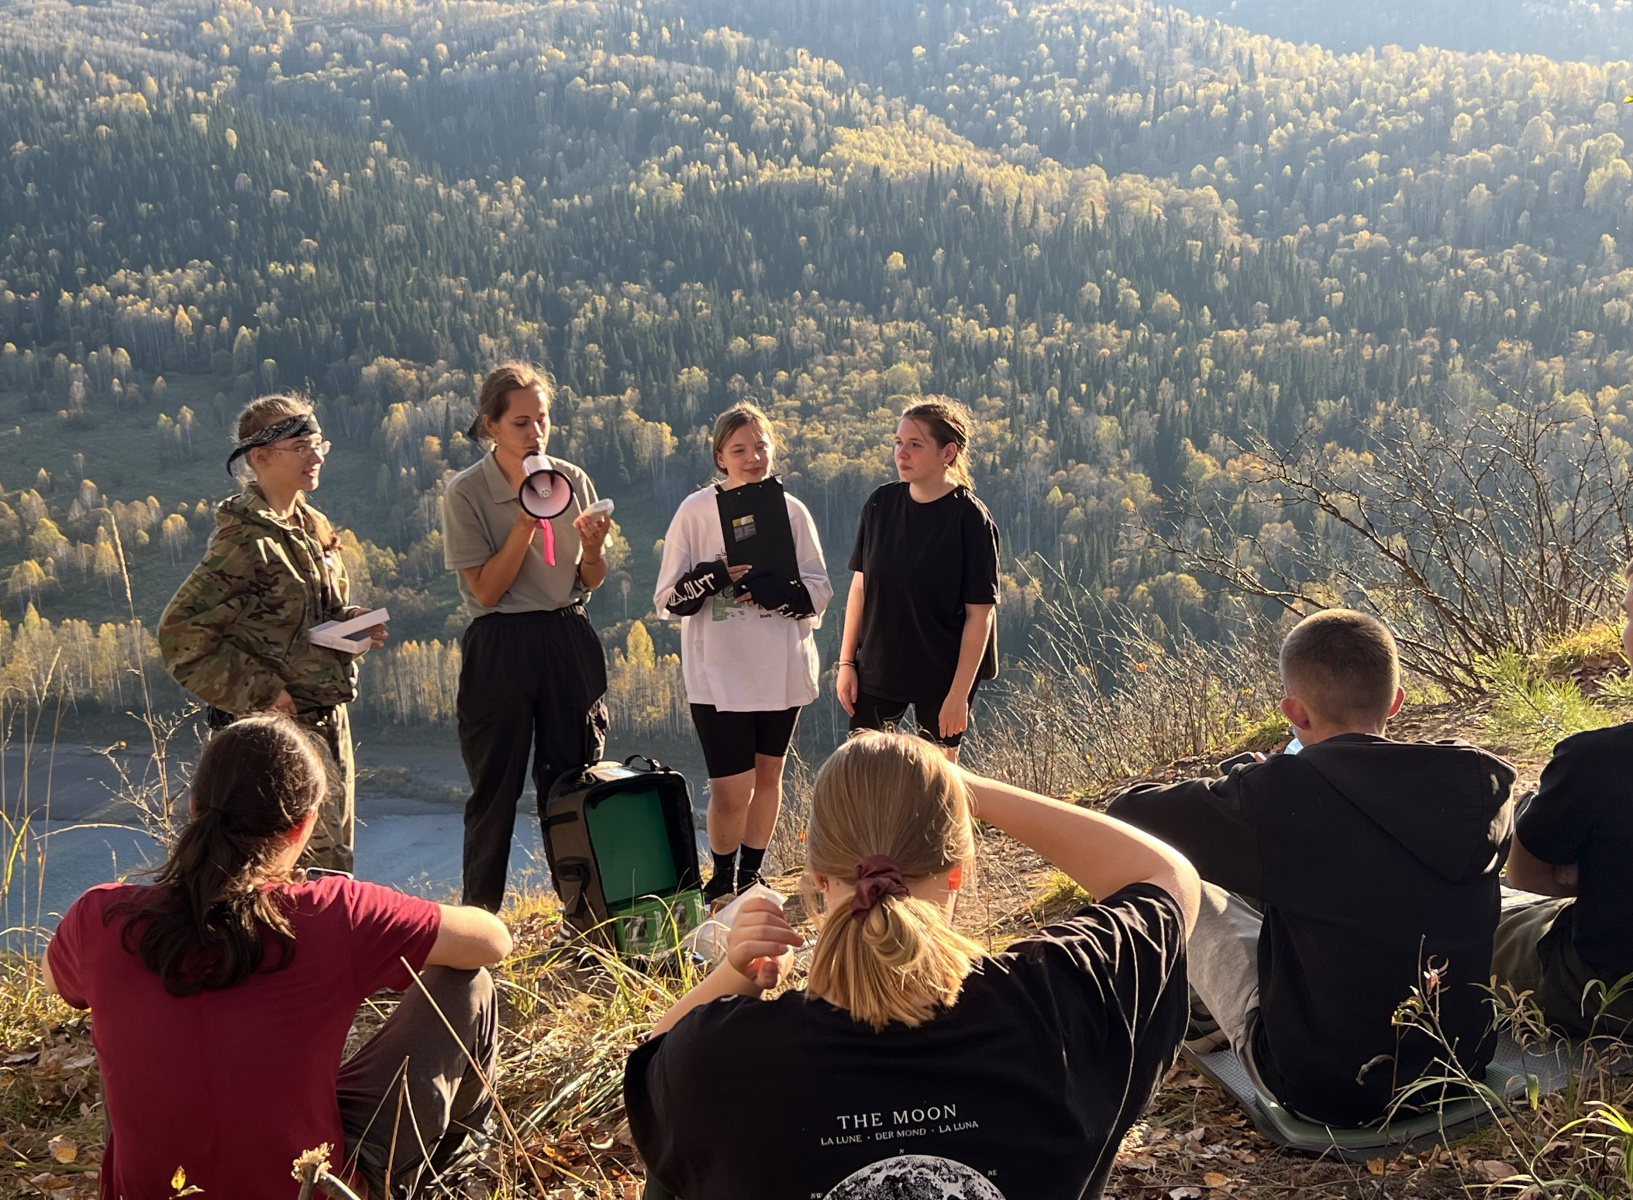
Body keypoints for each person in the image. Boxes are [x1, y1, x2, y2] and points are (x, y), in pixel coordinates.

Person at [624, 731, 1198, 1200]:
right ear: (959, 871)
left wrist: (735, 977)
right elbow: (1168, 878)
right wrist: (965, 787)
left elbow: (652, 1066)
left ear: (818, 879)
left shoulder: (722, 1061)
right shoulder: (1058, 1002)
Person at [43, 715, 511, 1200]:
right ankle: (455, 1173)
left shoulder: (100, 917)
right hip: (312, 1187)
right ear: (303, 824)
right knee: (467, 985)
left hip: (155, 1191)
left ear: (194, 806)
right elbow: (492, 941)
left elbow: (56, 982)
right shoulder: (333, 914)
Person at [1108, 609, 1517, 1127]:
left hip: (1324, 1090)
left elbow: (1127, 816)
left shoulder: (1279, 797)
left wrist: (1248, 788)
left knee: (1176, 880)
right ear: (1395, 701)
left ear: (1295, 713)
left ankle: (1205, 1022)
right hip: (1458, 1067)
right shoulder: (1481, 782)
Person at [159, 393, 384, 874]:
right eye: (301, 446)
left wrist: (351, 626)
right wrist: (264, 694)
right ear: (259, 457)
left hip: (327, 717)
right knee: (296, 869)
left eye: (319, 443)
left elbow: (306, 619)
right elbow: (180, 635)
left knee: (333, 863)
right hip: (279, 734)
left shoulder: (310, 524)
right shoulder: (243, 540)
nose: (316, 455)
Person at [442, 361, 613, 912]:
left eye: (542, 419)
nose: (536, 433)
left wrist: (593, 549)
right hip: (500, 642)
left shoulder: (572, 478)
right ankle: (478, 922)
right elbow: (487, 591)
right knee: (495, 788)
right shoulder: (466, 493)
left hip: (566, 633)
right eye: (521, 423)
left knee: (573, 781)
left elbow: (589, 580)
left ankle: (584, 915)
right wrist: (524, 520)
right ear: (490, 425)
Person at [655, 403, 833, 903]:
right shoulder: (695, 511)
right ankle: (721, 877)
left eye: (761, 447)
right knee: (732, 789)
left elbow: (819, 590)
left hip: (781, 666)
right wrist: (715, 575)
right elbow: (668, 599)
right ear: (720, 457)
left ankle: (752, 874)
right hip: (717, 673)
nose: (753, 457)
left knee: (768, 777)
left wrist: (779, 592)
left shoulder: (791, 511)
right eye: (740, 450)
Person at [1494, 575, 1633, 1038]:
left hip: (1608, 994)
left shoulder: (1596, 760)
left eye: (1628, 616)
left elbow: (1524, 875)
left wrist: (1592, 874)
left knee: (1461, 930)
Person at [836, 399, 999, 761]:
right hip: (878, 668)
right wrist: (846, 663)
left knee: (940, 779)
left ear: (948, 453)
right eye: (898, 442)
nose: (902, 453)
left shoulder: (970, 519)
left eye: (915, 444)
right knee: (862, 774)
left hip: (942, 676)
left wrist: (958, 695)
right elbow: (860, 588)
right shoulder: (880, 504)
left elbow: (980, 614)